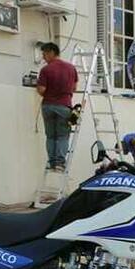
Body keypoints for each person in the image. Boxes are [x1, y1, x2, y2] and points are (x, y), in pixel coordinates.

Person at [37, 42, 78, 172]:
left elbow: (42, 90)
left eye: (44, 54)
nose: (43, 57)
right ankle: (60, 163)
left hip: (48, 106)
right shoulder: (71, 68)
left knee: (50, 136)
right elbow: (75, 87)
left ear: (51, 52)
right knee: (62, 136)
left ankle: (52, 162)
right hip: (64, 106)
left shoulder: (46, 70)